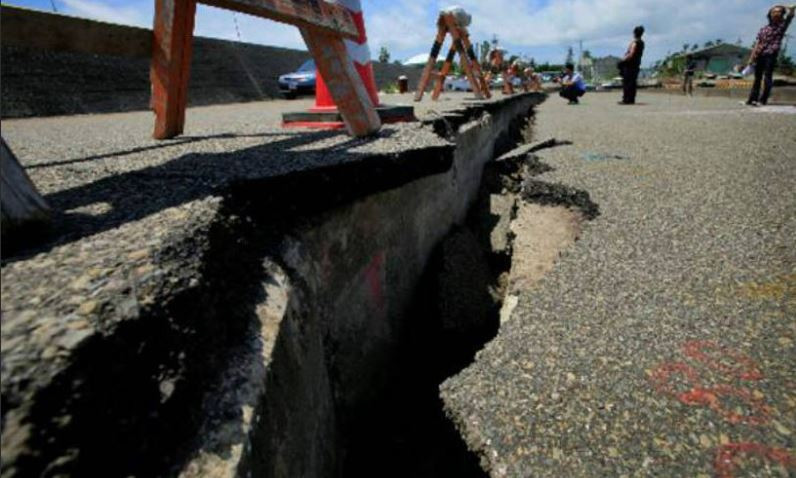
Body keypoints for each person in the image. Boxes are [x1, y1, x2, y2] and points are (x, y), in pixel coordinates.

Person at [745, 4, 796, 106]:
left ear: (781, 14)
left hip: (771, 54)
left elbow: (790, 17)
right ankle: (752, 98)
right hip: (760, 54)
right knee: (757, 78)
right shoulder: (764, 29)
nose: (776, 13)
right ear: (770, 14)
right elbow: (757, 44)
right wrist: (751, 58)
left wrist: (788, 8)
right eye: (774, 12)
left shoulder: (781, 26)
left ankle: (763, 100)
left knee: (767, 76)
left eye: (778, 12)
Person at [617, 25, 645, 104]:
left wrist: (623, 60)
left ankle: (626, 99)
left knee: (627, 82)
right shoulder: (642, 43)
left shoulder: (635, 43)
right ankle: (631, 99)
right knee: (632, 82)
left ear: (634, 33)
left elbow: (631, 54)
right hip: (636, 64)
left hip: (630, 64)